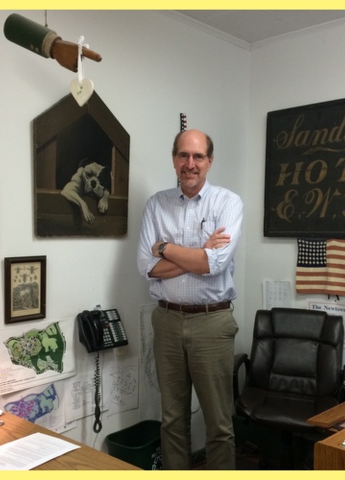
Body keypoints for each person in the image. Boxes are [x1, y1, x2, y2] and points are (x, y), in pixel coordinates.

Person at [137, 129, 243, 469]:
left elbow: (215, 264)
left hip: (212, 322)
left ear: (210, 161)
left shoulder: (227, 203)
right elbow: (145, 266)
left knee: (219, 424)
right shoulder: (156, 205)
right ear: (174, 159)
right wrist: (197, 254)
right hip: (166, 320)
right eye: (183, 155)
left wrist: (166, 248)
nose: (190, 164)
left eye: (198, 157)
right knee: (172, 420)